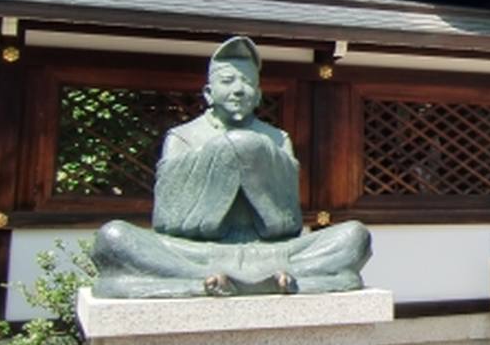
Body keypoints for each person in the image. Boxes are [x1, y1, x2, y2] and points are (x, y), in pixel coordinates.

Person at [92, 36, 370, 297]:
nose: (238, 89)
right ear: (209, 93)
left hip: (271, 253)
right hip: (196, 253)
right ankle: (212, 280)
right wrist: (224, 155)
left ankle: (209, 282)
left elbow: (286, 224)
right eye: (228, 80)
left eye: (247, 82)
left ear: (258, 95)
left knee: (355, 236)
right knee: (113, 237)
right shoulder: (182, 137)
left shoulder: (277, 138)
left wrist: (254, 155)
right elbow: (168, 221)